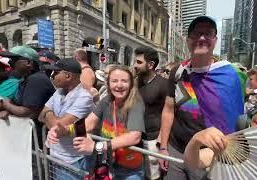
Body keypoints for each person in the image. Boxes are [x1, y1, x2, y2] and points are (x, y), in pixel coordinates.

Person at [159, 16, 246, 180]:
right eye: (196, 34)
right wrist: (163, 147)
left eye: (208, 34)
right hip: (176, 150)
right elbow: (169, 109)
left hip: (210, 156)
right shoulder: (178, 72)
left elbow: (237, 119)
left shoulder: (232, 74)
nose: (201, 38)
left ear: (215, 40)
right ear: (188, 40)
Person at [62, 65, 146, 179]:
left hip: (129, 171)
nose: (119, 85)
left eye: (124, 81)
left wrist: (98, 146)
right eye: (114, 81)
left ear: (131, 84)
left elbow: (134, 136)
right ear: (108, 84)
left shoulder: (136, 102)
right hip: (109, 164)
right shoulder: (107, 100)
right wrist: (65, 130)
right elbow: (88, 124)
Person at [39, 58, 95, 179]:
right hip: (56, 155)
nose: (52, 76)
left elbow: (57, 128)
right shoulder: (58, 92)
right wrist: (50, 114)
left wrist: (48, 112)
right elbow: (40, 116)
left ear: (68, 76)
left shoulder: (84, 97)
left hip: (75, 160)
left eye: (56, 72)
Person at [0, 46, 55, 147]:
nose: (9, 63)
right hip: (28, 139)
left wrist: (6, 104)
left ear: (28, 63)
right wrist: (9, 111)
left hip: (38, 143)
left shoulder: (37, 80)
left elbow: (28, 112)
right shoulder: (28, 78)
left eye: (13, 60)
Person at [133, 47, 169, 180]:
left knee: (153, 177)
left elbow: (171, 113)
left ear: (151, 65)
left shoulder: (164, 84)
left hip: (153, 141)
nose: (135, 65)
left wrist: (161, 142)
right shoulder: (135, 82)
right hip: (135, 138)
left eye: (139, 62)